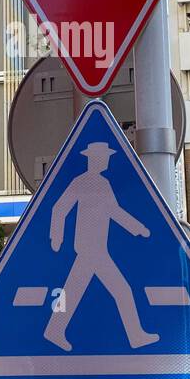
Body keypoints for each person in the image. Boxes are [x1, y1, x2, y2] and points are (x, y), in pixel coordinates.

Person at [43, 141, 158, 352]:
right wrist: (56, 237)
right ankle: (136, 336)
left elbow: (114, 211)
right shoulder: (82, 182)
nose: (107, 160)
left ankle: (54, 330)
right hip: (90, 248)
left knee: (73, 290)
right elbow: (59, 207)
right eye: (103, 156)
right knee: (122, 290)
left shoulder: (103, 183)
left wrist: (138, 227)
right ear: (94, 158)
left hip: (95, 248)